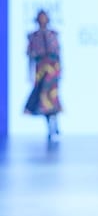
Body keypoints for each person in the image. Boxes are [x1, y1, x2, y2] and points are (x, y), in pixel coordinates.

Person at [24, 10, 62, 141]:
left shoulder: (53, 34)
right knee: (43, 99)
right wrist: (29, 73)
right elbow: (30, 56)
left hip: (52, 70)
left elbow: (58, 54)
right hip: (40, 70)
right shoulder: (33, 36)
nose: (42, 20)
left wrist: (60, 71)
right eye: (40, 18)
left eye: (44, 18)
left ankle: (55, 124)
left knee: (53, 98)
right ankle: (50, 126)